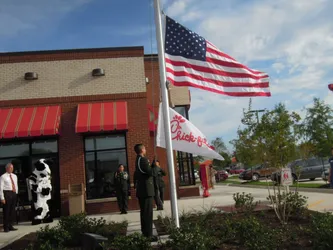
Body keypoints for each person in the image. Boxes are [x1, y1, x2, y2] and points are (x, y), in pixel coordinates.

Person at [133, 144, 156, 240]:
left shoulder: (139, 159)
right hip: (146, 191)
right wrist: (154, 166)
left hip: (143, 191)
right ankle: (148, 235)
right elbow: (151, 173)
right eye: (145, 148)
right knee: (147, 213)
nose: (146, 149)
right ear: (142, 149)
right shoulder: (142, 160)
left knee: (144, 213)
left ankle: (145, 233)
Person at [0, 163, 18, 232]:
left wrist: (16, 193)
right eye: (10, 168)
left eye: (12, 168)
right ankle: (6, 227)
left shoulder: (14, 176)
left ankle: (10, 225)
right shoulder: (3, 177)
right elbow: (0, 188)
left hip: (13, 193)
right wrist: (2, 198)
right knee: (6, 211)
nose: (11, 169)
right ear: (7, 168)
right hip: (7, 194)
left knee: (12, 211)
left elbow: (16, 185)